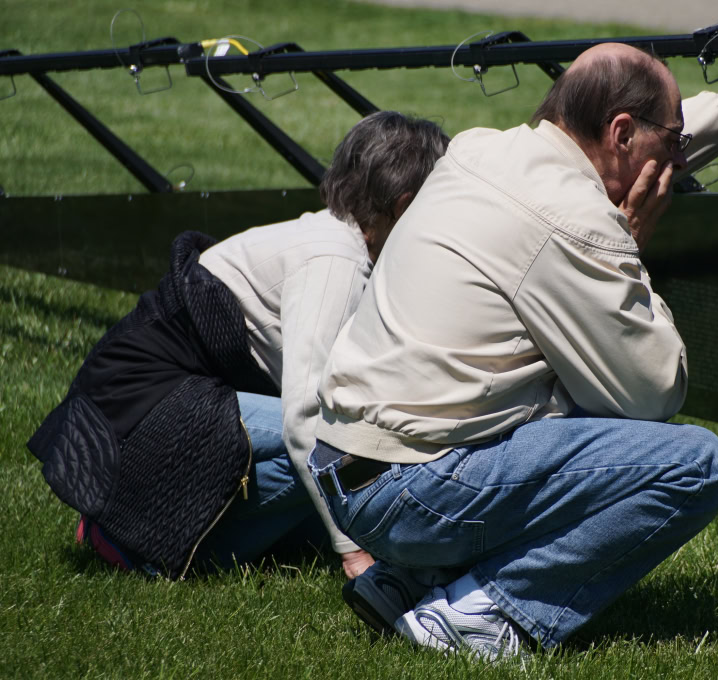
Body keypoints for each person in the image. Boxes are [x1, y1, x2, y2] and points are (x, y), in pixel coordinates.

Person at [308, 21, 718, 659]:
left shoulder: (482, 150)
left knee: (560, 389)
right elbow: (656, 390)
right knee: (694, 465)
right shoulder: (579, 224)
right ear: (620, 132)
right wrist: (631, 251)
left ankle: (408, 579)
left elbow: (649, 141)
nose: (674, 160)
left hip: (343, 467)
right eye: (668, 142)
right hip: (418, 495)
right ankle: (479, 614)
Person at [27, 111, 449, 579]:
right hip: (148, 414)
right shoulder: (335, 262)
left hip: (139, 413)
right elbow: (307, 416)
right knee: (348, 447)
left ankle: (130, 524)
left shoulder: (327, 236)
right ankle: (148, 547)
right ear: (405, 204)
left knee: (348, 463)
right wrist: (353, 549)